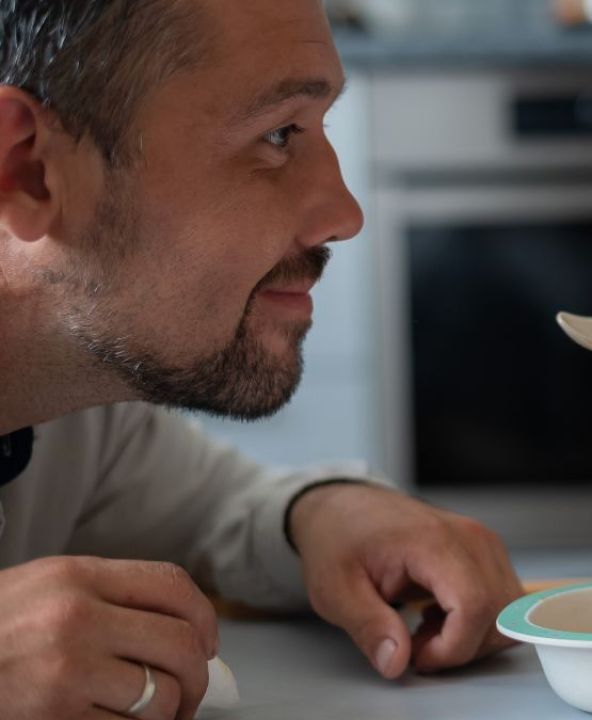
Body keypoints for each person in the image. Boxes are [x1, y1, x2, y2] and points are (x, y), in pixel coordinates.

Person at [0, 2, 523, 718]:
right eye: (278, 135)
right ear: (27, 168)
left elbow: (214, 505)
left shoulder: (71, 408)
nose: (344, 213)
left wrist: (326, 512)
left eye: (318, 127)